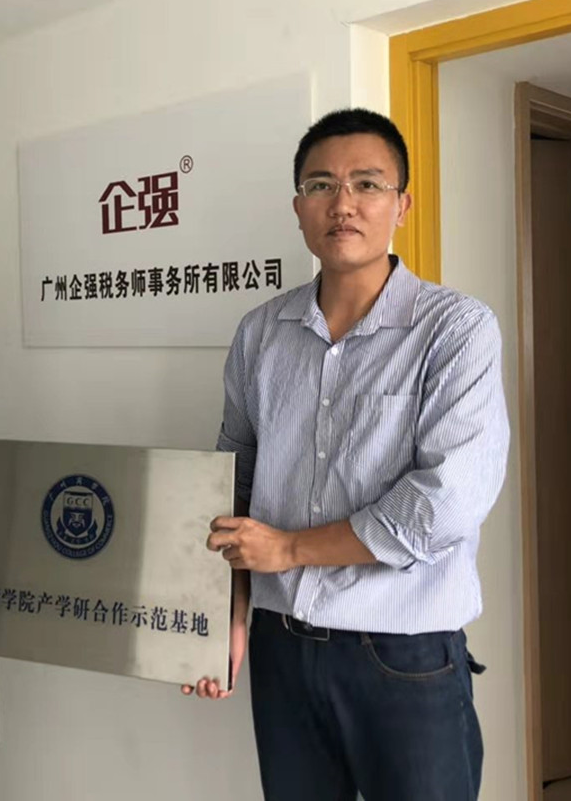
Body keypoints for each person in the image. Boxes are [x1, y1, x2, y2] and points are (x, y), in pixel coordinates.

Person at [185, 109, 509, 801]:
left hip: (403, 654)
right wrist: (227, 620)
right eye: (321, 185)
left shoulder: (455, 330)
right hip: (280, 645)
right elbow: (229, 486)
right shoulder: (260, 333)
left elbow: (445, 503)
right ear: (298, 207)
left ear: (402, 205)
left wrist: (290, 550)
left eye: (367, 183)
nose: (343, 203)